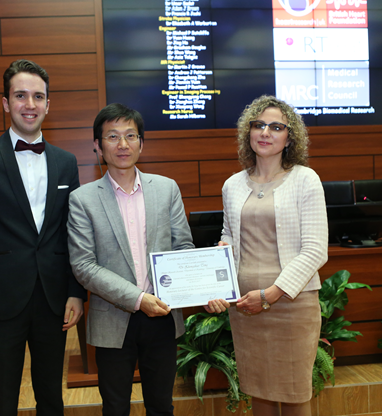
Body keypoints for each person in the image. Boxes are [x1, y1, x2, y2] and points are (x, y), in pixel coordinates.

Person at [0, 59, 86, 416]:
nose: (30, 104)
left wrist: (75, 291)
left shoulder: (66, 162)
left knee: (51, 399)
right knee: (2, 401)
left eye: (38, 96)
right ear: (6, 103)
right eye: (20, 95)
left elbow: (72, 234)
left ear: (48, 105)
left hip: (53, 300)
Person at [67, 103, 194, 416]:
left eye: (130, 135)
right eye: (112, 136)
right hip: (112, 318)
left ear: (141, 143)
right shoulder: (82, 199)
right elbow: (84, 266)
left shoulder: (166, 189)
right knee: (115, 408)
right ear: (98, 146)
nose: (122, 144)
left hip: (163, 314)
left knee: (161, 406)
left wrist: (203, 280)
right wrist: (138, 299)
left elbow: (183, 247)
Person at [209, 95, 328, 416]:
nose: (265, 132)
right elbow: (229, 236)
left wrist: (270, 294)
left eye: (276, 127)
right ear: (247, 133)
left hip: (291, 304)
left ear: (289, 138)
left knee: (294, 394)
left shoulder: (305, 179)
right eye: (258, 125)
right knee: (258, 392)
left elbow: (316, 249)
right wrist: (218, 268)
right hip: (245, 307)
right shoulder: (232, 185)